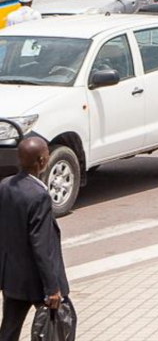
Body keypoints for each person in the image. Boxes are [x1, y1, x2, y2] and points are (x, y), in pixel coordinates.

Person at [0, 135, 68, 341]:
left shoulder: (5, 185)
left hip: (12, 278)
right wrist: (53, 288)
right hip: (37, 281)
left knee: (9, 329)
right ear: (42, 161)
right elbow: (41, 245)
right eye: (47, 153)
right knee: (57, 328)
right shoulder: (39, 196)